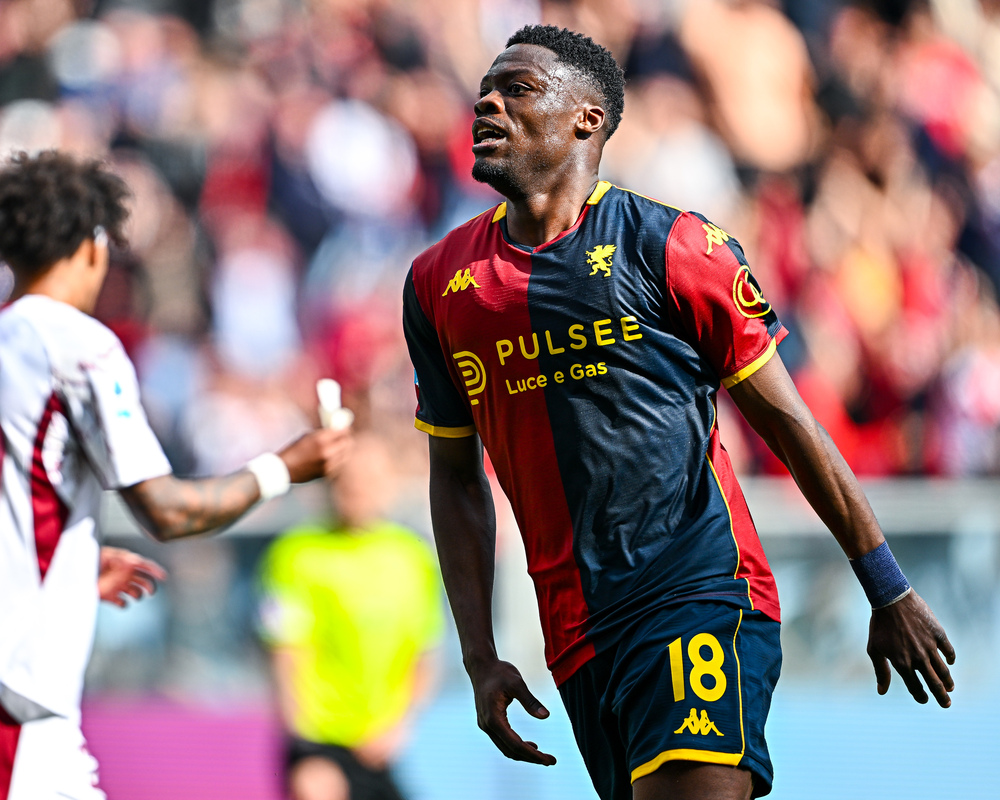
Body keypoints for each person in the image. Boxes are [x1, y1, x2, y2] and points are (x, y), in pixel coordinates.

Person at [401, 24, 955, 800]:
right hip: (579, 638)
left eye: (517, 89)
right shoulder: (437, 283)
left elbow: (789, 423)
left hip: (697, 592)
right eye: (485, 91)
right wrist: (477, 652)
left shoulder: (675, 246)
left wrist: (885, 583)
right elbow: (456, 479)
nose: (486, 102)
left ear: (586, 118)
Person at [0, 150, 351, 800]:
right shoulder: (76, 343)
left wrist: (65, 570)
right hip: (9, 701)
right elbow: (167, 511)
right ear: (89, 246)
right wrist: (286, 466)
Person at [258, 435, 442, 800]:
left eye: (370, 479)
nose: (358, 489)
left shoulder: (412, 557)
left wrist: (397, 727)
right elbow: (285, 650)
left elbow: (424, 652)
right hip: (320, 740)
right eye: (348, 480)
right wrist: (302, 738)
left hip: (380, 744)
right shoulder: (295, 553)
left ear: (389, 485)